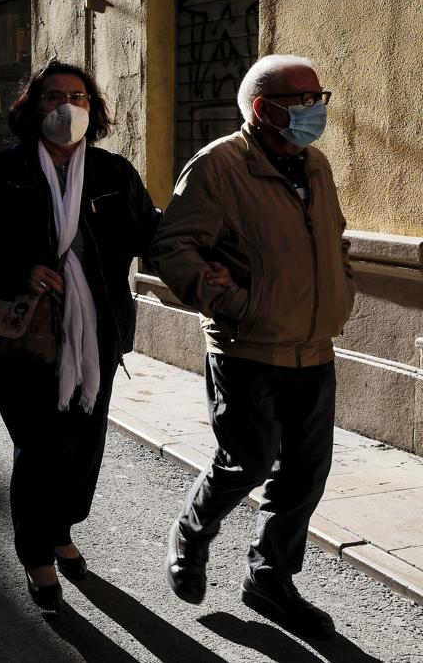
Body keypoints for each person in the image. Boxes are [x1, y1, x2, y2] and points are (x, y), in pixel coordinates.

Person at [0, 60, 201, 612]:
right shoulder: (4, 172)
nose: (67, 106)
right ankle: (37, 556)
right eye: (53, 97)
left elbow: (155, 237)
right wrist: (21, 269)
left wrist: (214, 256)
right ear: (32, 107)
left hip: (97, 338)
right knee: (40, 446)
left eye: (79, 96)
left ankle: (61, 528)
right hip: (23, 337)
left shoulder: (115, 174)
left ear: (94, 109)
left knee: (83, 447)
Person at [151, 55, 355, 639]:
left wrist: (341, 286)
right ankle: (192, 532)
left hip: (313, 347)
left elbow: (333, 236)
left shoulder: (315, 164)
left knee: (305, 475)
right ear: (265, 110)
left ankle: (270, 578)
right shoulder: (218, 166)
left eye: (320, 97)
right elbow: (175, 247)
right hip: (247, 350)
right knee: (247, 462)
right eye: (303, 100)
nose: (316, 111)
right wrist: (237, 303)